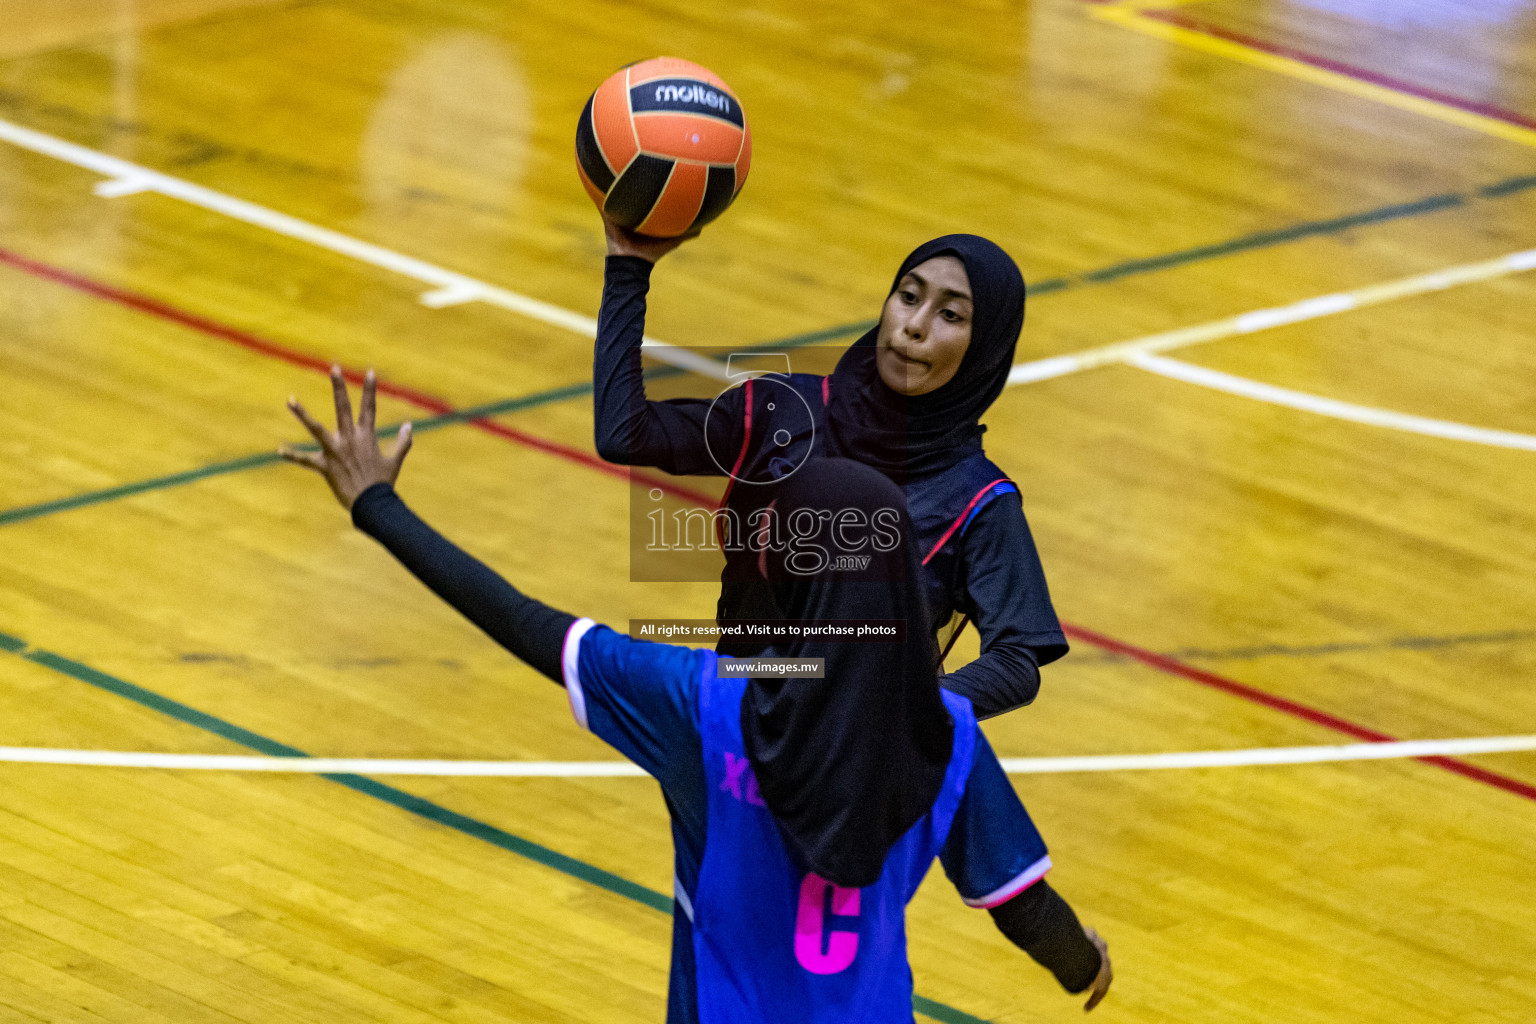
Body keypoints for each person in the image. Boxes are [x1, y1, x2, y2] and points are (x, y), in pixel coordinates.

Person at [280, 369, 1113, 1023]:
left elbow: (528, 625)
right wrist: (1084, 963)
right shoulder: (948, 733)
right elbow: (1023, 906)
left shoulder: (709, 707)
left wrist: (376, 506)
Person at [594, 223, 1065, 719]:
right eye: (908, 296)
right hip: (732, 722)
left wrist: (910, 717)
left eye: (950, 314)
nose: (914, 325)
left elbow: (1017, 658)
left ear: (984, 350)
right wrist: (629, 265)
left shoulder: (977, 500)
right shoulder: (780, 411)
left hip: (860, 771)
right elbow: (624, 433)